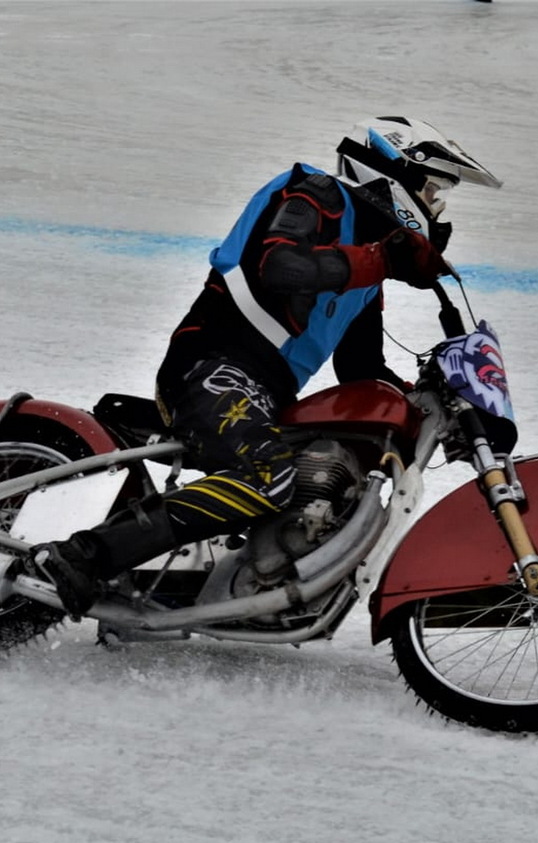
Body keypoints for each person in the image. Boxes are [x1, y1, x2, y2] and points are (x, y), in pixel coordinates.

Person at [33, 116, 503, 616]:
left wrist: (431, 401)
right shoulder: (313, 194)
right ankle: (84, 556)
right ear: (396, 174)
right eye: (432, 190)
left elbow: (362, 370)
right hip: (211, 366)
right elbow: (280, 268)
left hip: (266, 392)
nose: (436, 207)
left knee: (308, 470)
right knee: (267, 476)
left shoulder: (366, 275)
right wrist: (381, 261)